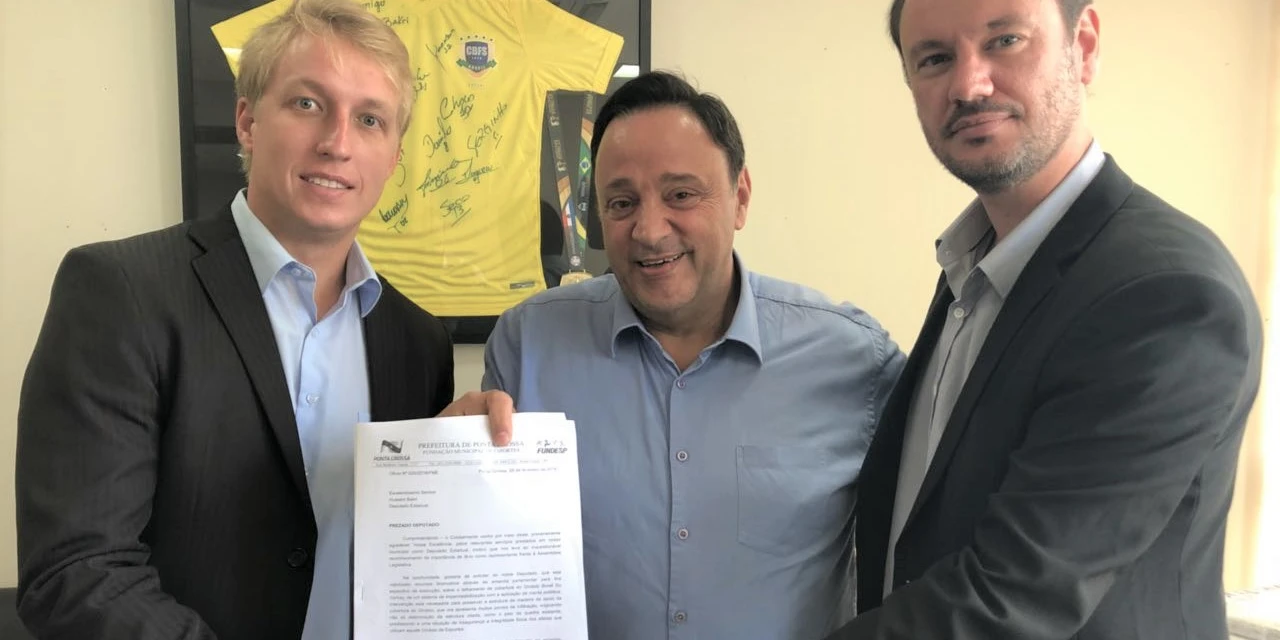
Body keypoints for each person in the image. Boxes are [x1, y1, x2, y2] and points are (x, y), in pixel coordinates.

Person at [14, 1, 508, 638]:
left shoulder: (417, 341)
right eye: (307, 104)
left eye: (370, 119)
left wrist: (459, 469)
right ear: (247, 121)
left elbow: (398, 559)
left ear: (392, 156)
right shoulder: (121, 291)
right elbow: (76, 572)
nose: (337, 142)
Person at [825, 0, 1264, 637]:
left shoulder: (1164, 295)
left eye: (1004, 40)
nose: (969, 85)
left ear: (1083, 46)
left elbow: (1011, 595)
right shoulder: (975, 263)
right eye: (935, 58)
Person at [446, 70, 906, 639]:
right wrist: (446, 471)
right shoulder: (528, 344)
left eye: (681, 195)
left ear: (740, 197)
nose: (649, 229)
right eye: (621, 203)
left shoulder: (855, 361)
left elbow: (929, 550)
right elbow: (485, 550)